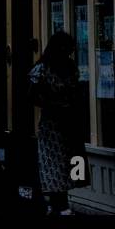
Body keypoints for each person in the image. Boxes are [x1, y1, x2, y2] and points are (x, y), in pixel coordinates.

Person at [30, 32, 82, 215]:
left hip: (63, 122)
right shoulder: (45, 68)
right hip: (53, 123)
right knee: (55, 163)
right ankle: (58, 203)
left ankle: (57, 203)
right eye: (67, 48)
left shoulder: (64, 67)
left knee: (61, 163)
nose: (69, 52)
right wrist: (52, 102)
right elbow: (33, 95)